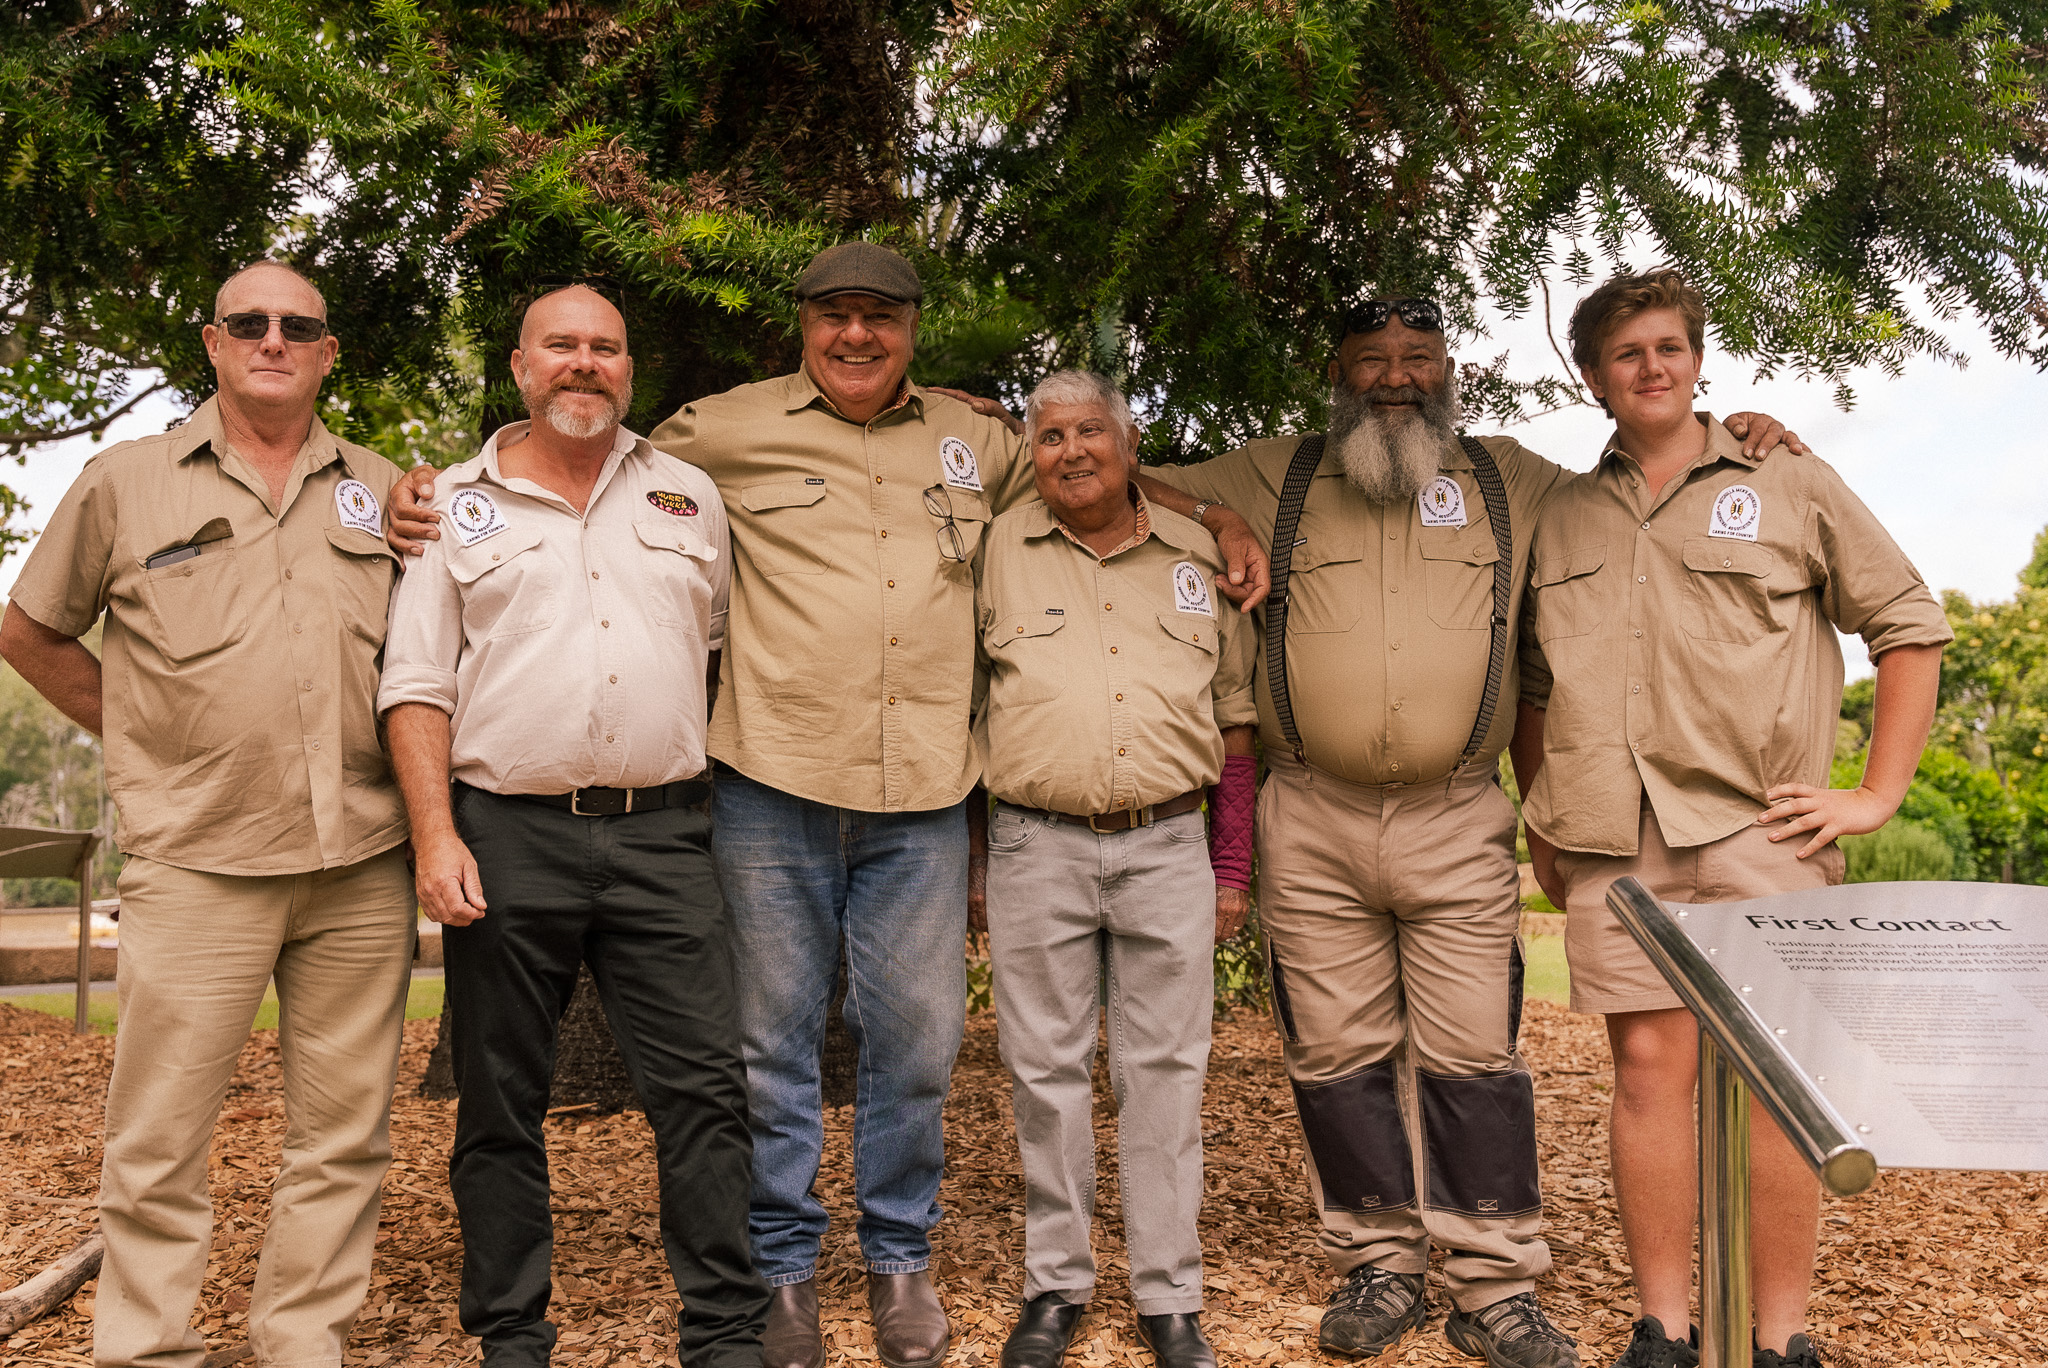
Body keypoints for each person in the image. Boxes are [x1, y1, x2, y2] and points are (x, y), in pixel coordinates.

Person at [382, 243, 1270, 1368]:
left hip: (923, 803)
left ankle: (900, 1262)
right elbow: (579, 448)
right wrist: (426, 486)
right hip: (771, 793)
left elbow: (1089, 471)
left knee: (917, 1048)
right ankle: (784, 1275)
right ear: (800, 326)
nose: (856, 336)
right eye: (833, 316)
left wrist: (1213, 516)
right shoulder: (720, 433)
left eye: (881, 318)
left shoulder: (980, 443)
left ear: (911, 329)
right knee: (768, 1049)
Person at [1138, 297, 1802, 1368]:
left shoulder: (1511, 479)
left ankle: (1492, 1282)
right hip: (1308, 814)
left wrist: (1752, 438)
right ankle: (1378, 1264)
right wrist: (1216, 520)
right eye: (1370, 360)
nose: (1394, 377)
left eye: (1416, 357)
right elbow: (1119, 476)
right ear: (1336, 372)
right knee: (1334, 1057)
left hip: (1456, 813)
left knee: (1475, 1058)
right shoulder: (1276, 472)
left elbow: (1647, 484)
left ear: (1447, 369)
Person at [1517, 268, 1949, 1368]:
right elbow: (1530, 681)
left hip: (1767, 832)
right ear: (1593, 378)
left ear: (1697, 358)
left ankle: (1778, 1337)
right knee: (1647, 1076)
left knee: (1772, 1094)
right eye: (1625, 353)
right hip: (1616, 842)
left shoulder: (1786, 480)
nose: (1650, 367)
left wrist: (1873, 793)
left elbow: (1906, 624)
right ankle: (1661, 1327)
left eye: (1668, 346)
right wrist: (1542, 813)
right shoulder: (1559, 513)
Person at [0, 260, 414, 1368]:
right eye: (250, 323)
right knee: (158, 1141)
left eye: (299, 326)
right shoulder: (125, 483)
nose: (273, 338)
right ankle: (145, 1352)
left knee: (342, 1141)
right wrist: (136, 734)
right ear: (214, 343)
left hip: (362, 861)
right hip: (198, 862)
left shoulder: (382, 488)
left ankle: (301, 1346)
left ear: (329, 352)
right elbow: (31, 629)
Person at [377, 285, 766, 1368]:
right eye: (562, 347)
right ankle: (512, 1334)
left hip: (662, 838)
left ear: (629, 370)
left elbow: (716, 646)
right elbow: (415, 684)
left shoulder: (688, 496)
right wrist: (432, 836)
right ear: (520, 366)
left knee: (703, 1094)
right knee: (501, 1104)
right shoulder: (453, 502)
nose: (583, 365)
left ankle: (727, 1335)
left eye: (604, 348)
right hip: (506, 835)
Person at [971, 371, 1257, 1368]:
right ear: (1029, 452)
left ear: (1130, 446)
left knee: (1165, 1074)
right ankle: (1055, 1286)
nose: (1071, 451)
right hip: (1032, 843)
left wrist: (1230, 871)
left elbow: (1234, 722)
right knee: (1042, 1073)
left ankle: (1167, 1295)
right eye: (1048, 437)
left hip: (1167, 845)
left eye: (1091, 431)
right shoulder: (993, 547)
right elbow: (961, 702)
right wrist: (975, 864)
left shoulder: (1195, 558)